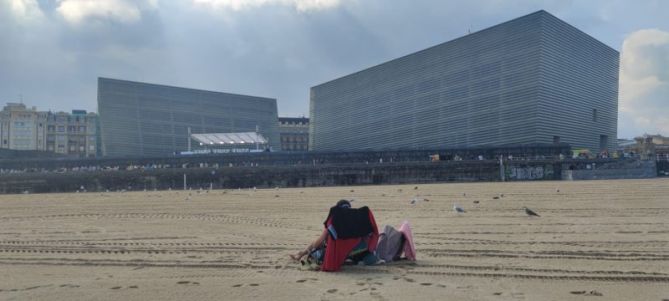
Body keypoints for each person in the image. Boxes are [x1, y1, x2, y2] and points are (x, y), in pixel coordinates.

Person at [290, 200, 381, 271]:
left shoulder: (335, 222)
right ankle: (301, 253)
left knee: (317, 249)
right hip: (357, 252)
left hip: (339, 253)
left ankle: (301, 253)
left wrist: (310, 251)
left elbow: (318, 243)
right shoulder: (358, 222)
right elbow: (368, 238)